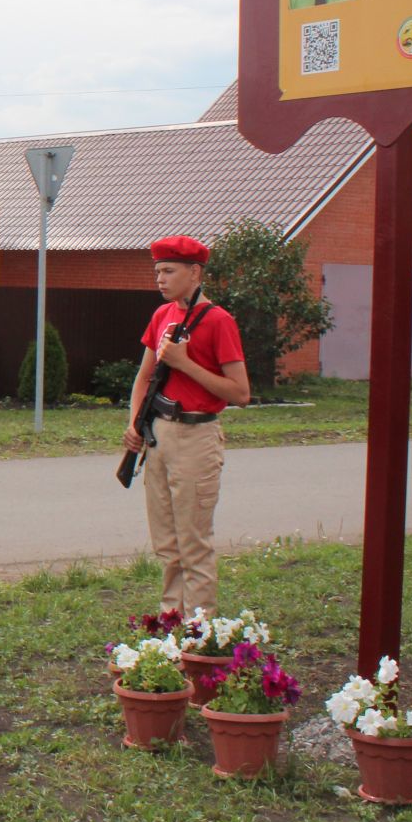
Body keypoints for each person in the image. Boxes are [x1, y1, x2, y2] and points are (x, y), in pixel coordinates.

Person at [120, 236, 249, 615]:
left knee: (193, 543)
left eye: (169, 271)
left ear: (194, 273)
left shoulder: (218, 322)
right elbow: (143, 378)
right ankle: (171, 624)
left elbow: (240, 392)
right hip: (158, 434)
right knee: (166, 543)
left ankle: (199, 631)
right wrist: (134, 425)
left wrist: (185, 363)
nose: (160, 279)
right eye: (158, 271)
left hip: (196, 436)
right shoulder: (162, 316)